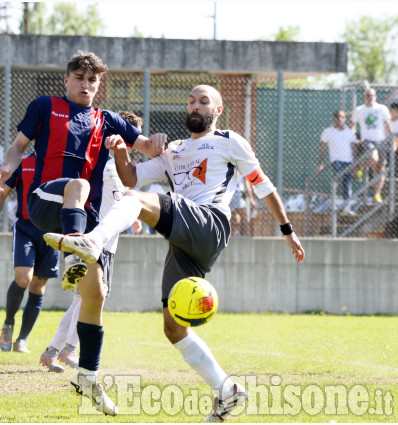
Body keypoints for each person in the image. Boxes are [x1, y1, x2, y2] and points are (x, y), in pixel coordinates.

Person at [42, 84, 305, 422]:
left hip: (210, 223)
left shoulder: (229, 140)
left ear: (218, 109)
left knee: (134, 203)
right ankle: (227, 391)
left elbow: (263, 185)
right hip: (185, 239)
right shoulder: (174, 150)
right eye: (191, 100)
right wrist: (122, 149)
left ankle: (91, 242)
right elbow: (131, 177)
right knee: (173, 326)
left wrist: (287, 230)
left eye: (203, 101)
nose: (195, 106)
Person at [0, 51, 165, 416]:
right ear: (66, 80)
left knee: (96, 293)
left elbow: (147, 146)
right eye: (79, 78)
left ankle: (88, 375)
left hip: (83, 218)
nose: (85, 85)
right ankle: (73, 259)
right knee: (80, 186)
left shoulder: (108, 120)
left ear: (99, 86)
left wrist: (160, 141)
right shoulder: (44, 106)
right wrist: (5, 168)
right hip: (43, 200)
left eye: (92, 80)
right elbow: (18, 148)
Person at [39, 111, 144, 374]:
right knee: (91, 298)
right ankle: (65, 350)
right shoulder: (108, 165)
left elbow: (118, 198)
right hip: (99, 242)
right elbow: (113, 197)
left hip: (103, 241)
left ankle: (54, 351)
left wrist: (131, 218)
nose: (132, 143)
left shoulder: (112, 167)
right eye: (131, 137)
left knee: (82, 299)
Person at [0, 152, 60, 354]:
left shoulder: (63, 162)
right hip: (26, 227)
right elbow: (2, 193)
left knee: (38, 286)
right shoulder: (23, 163)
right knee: (22, 279)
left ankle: (22, 340)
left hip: (52, 230)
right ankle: (8, 324)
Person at [349, 89, 393, 203]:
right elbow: (352, 125)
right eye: (368, 95)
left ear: (376, 96)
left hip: (382, 140)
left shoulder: (382, 109)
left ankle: (377, 194)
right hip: (367, 140)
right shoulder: (359, 110)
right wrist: (354, 138)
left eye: (372, 95)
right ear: (364, 97)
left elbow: (388, 124)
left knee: (381, 168)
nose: (370, 97)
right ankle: (358, 167)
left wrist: (392, 139)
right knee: (373, 159)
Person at [315, 110, 358, 201]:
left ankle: (346, 206)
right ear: (334, 119)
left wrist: (355, 164)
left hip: (349, 161)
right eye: (337, 117)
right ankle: (335, 192)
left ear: (345, 119)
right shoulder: (327, 132)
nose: (339, 119)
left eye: (342, 117)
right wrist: (320, 164)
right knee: (338, 175)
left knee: (347, 184)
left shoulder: (349, 132)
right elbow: (322, 148)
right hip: (336, 160)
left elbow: (354, 148)